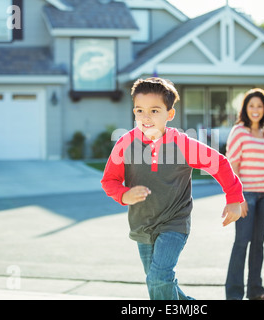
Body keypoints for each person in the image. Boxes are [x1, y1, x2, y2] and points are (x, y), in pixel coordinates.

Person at [100, 77, 246, 300]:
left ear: (170, 114)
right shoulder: (126, 143)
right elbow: (109, 180)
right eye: (140, 110)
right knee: (158, 281)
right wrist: (124, 194)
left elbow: (220, 164)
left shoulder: (183, 144)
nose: (146, 117)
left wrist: (234, 198)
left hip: (174, 223)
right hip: (142, 224)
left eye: (154, 110)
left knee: (159, 277)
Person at [224, 88, 264, 300]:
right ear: (245, 109)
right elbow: (233, 165)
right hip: (246, 195)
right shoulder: (239, 131)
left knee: (259, 243)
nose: (255, 110)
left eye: (259, 106)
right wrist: (238, 198)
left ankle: (256, 291)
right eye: (251, 106)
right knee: (242, 242)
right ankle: (234, 295)